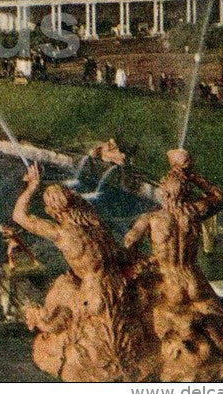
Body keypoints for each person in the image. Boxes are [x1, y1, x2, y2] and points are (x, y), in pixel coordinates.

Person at [12, 164, 155, 382]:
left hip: (92, 293)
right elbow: (119, 256)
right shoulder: (95, 228)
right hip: (118, 288)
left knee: (66, 298)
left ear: (53, 211)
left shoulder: (61, 233)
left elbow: (19, 216)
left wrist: (32, 186)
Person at [123, 150, 223, 382]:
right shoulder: (195, 212)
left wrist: (140, 264)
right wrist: (193, 176)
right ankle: (217, 351)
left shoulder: (151, 219)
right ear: (186, 192)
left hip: (169, 281)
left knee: (150, 315)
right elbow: (218, 195)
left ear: (163, 192)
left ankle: (176, 358)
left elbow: (128, 244)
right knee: (214, 319)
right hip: (193, 278)